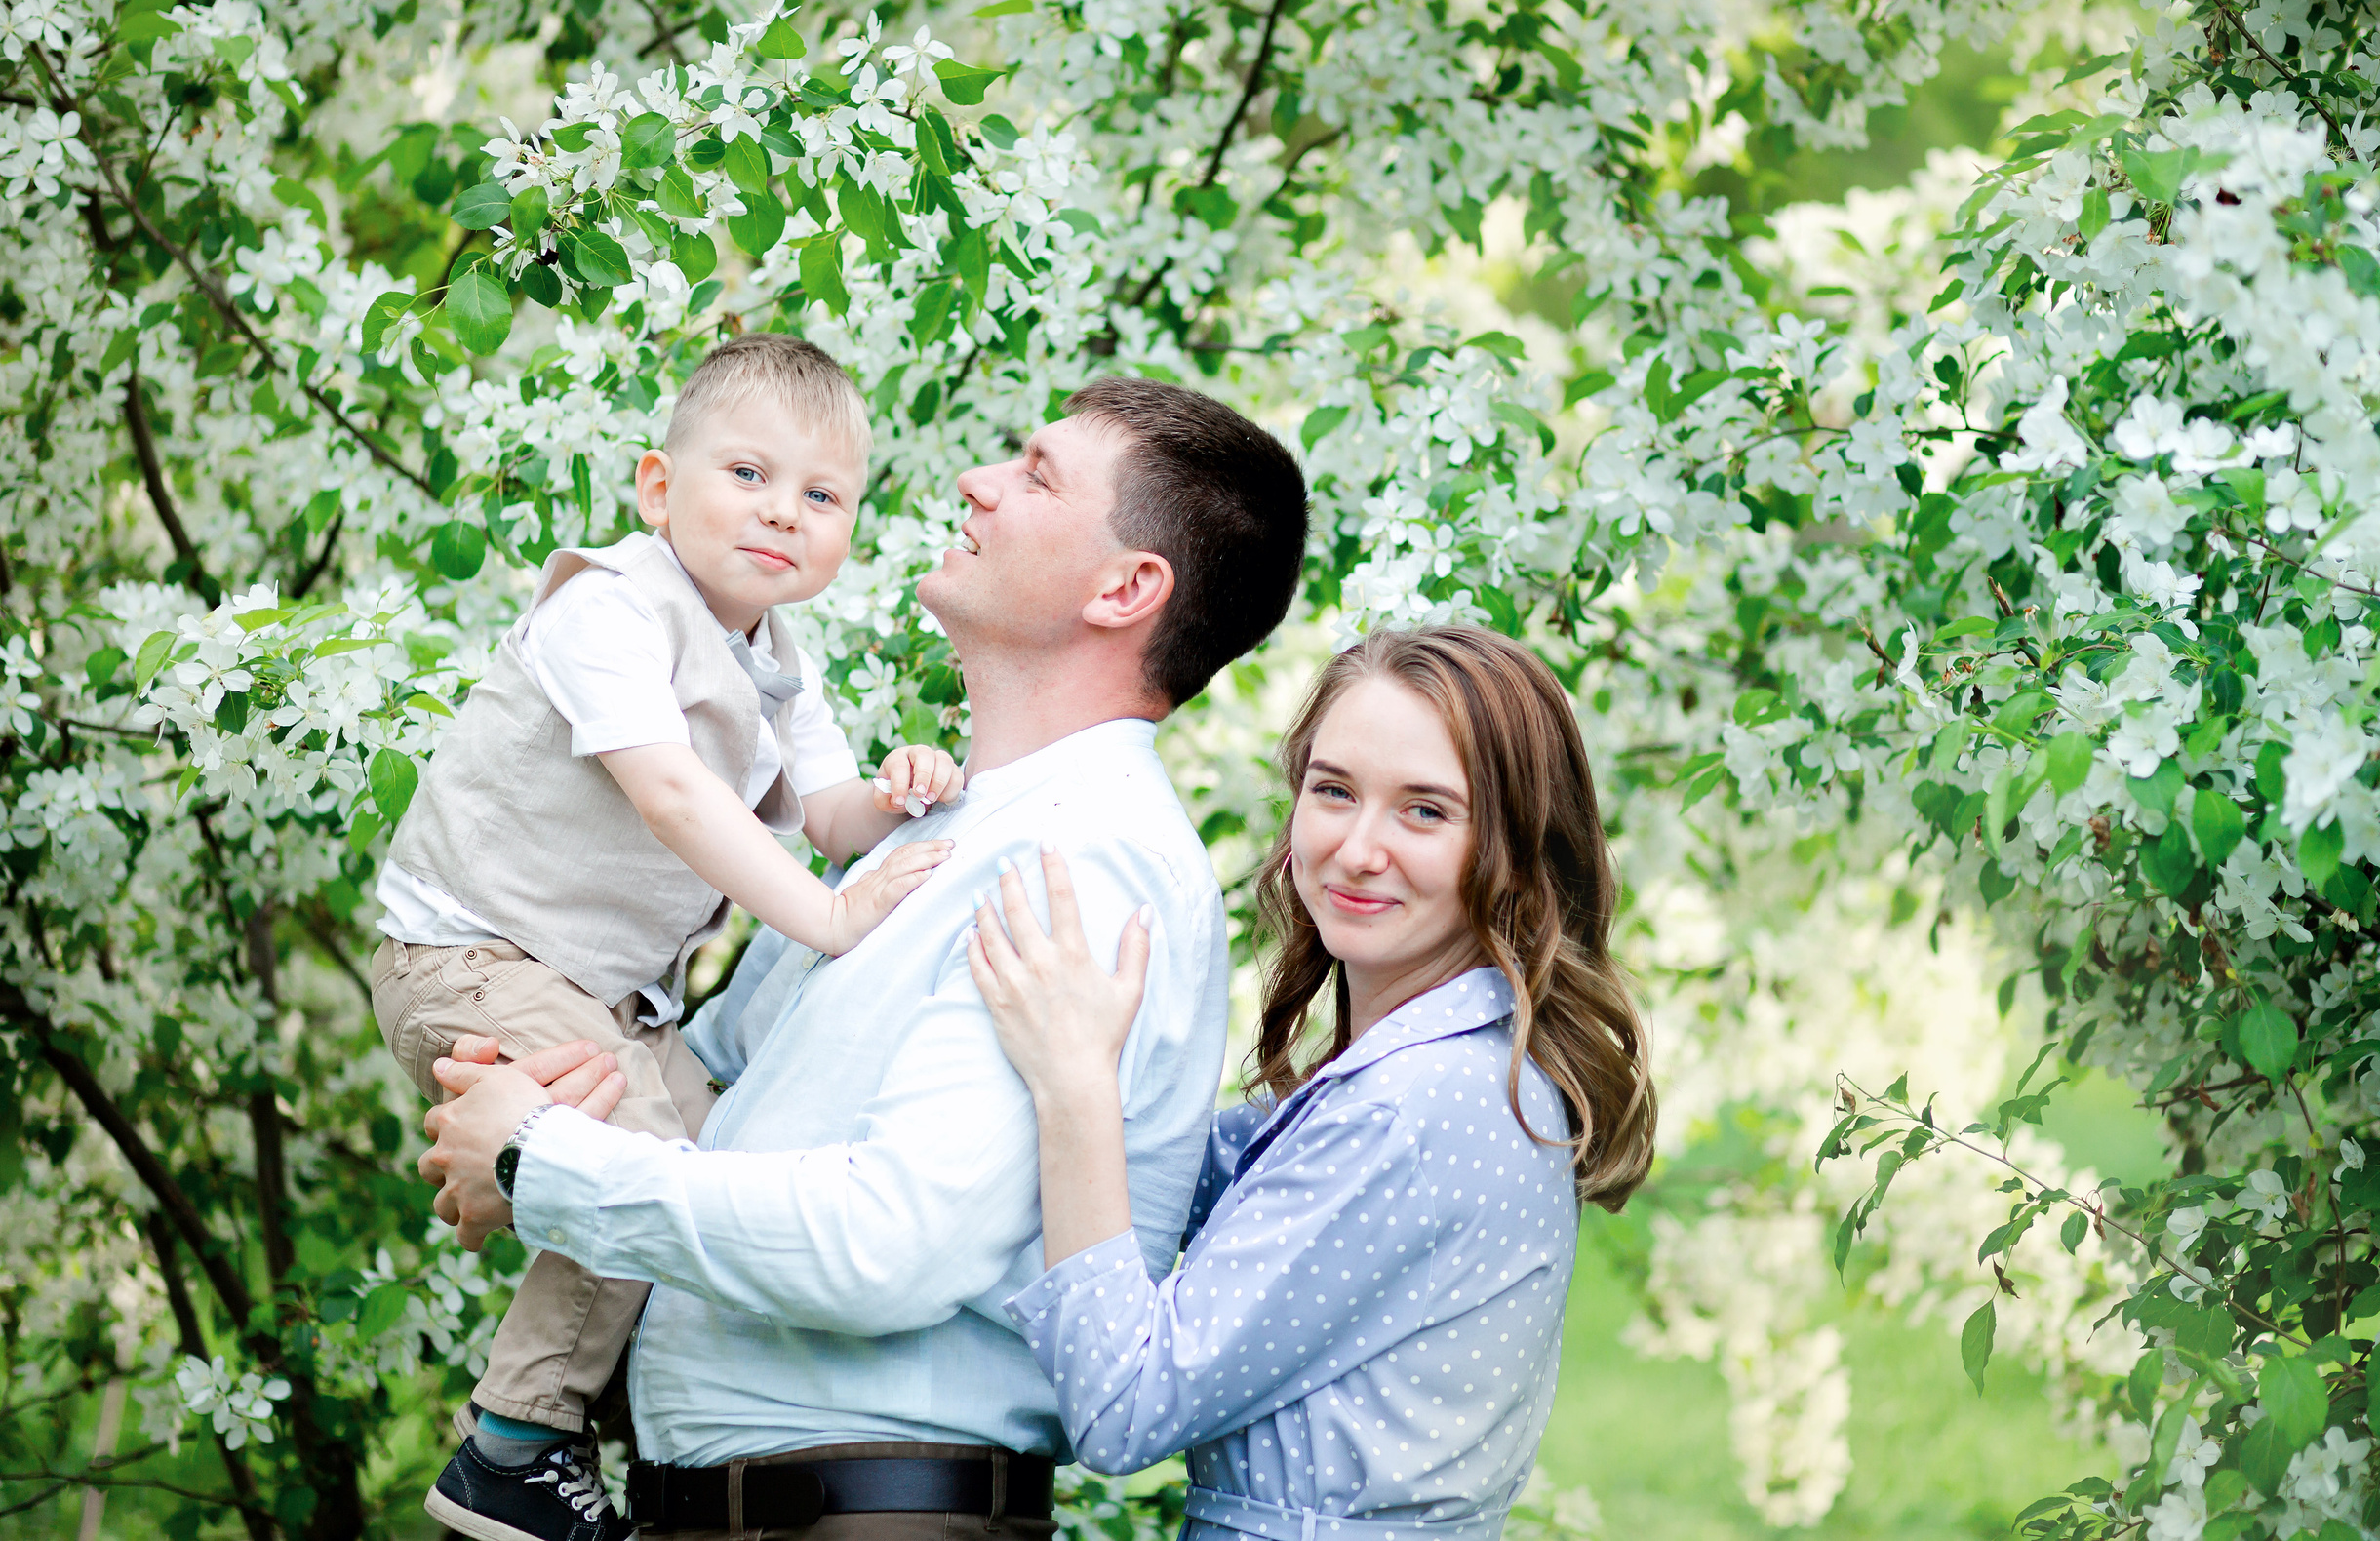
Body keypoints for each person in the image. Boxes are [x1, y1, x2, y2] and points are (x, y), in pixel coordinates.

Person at [416, 376, 1311, 1541]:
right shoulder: (932, 834)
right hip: (738, 1507)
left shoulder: (1083, 865)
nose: (975, 482)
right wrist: (547, 1086)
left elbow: (882, 1245)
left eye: (1036, 475)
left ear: (1123, 589)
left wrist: (543, 1162)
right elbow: (717, 1089)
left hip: (871, 1512)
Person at [370, 332, 965, 1541]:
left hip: (591, 997)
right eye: (747, 474)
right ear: (658, 486)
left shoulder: (780, 663)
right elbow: (673, 797)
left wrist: (904, 792)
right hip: (470, 955)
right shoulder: (608, 607)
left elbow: (829, 816)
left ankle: (624, 1419)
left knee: (709, 1143)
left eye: (822, 496)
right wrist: (831, 915)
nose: (783, 511)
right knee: (637, 1162)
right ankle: (516, 1442)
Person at [962, 626, 1658, 1541]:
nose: (1358, 848)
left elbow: (1124, 1403)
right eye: (1334, 791)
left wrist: (1075, 1087)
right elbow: (1178, 1173)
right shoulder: (1437, 1072)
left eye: (1425, 811)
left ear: (1516, 849)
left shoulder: (1416, 1105)